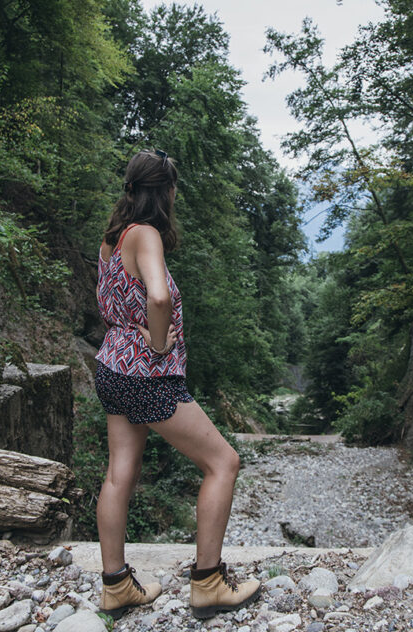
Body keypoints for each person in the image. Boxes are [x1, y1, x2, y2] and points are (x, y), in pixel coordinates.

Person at [93, 149, 261, 620]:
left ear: (130, 188)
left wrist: (136, 333)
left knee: (118, 474)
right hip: (148, 375)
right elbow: (158, 295)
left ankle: (116, 586)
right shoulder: (146, 235)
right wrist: (162, 344)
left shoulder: (109, 241)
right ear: (166, 192)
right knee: (224, 462)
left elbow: (108, 305)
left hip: (111, 368)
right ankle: (208, 583)